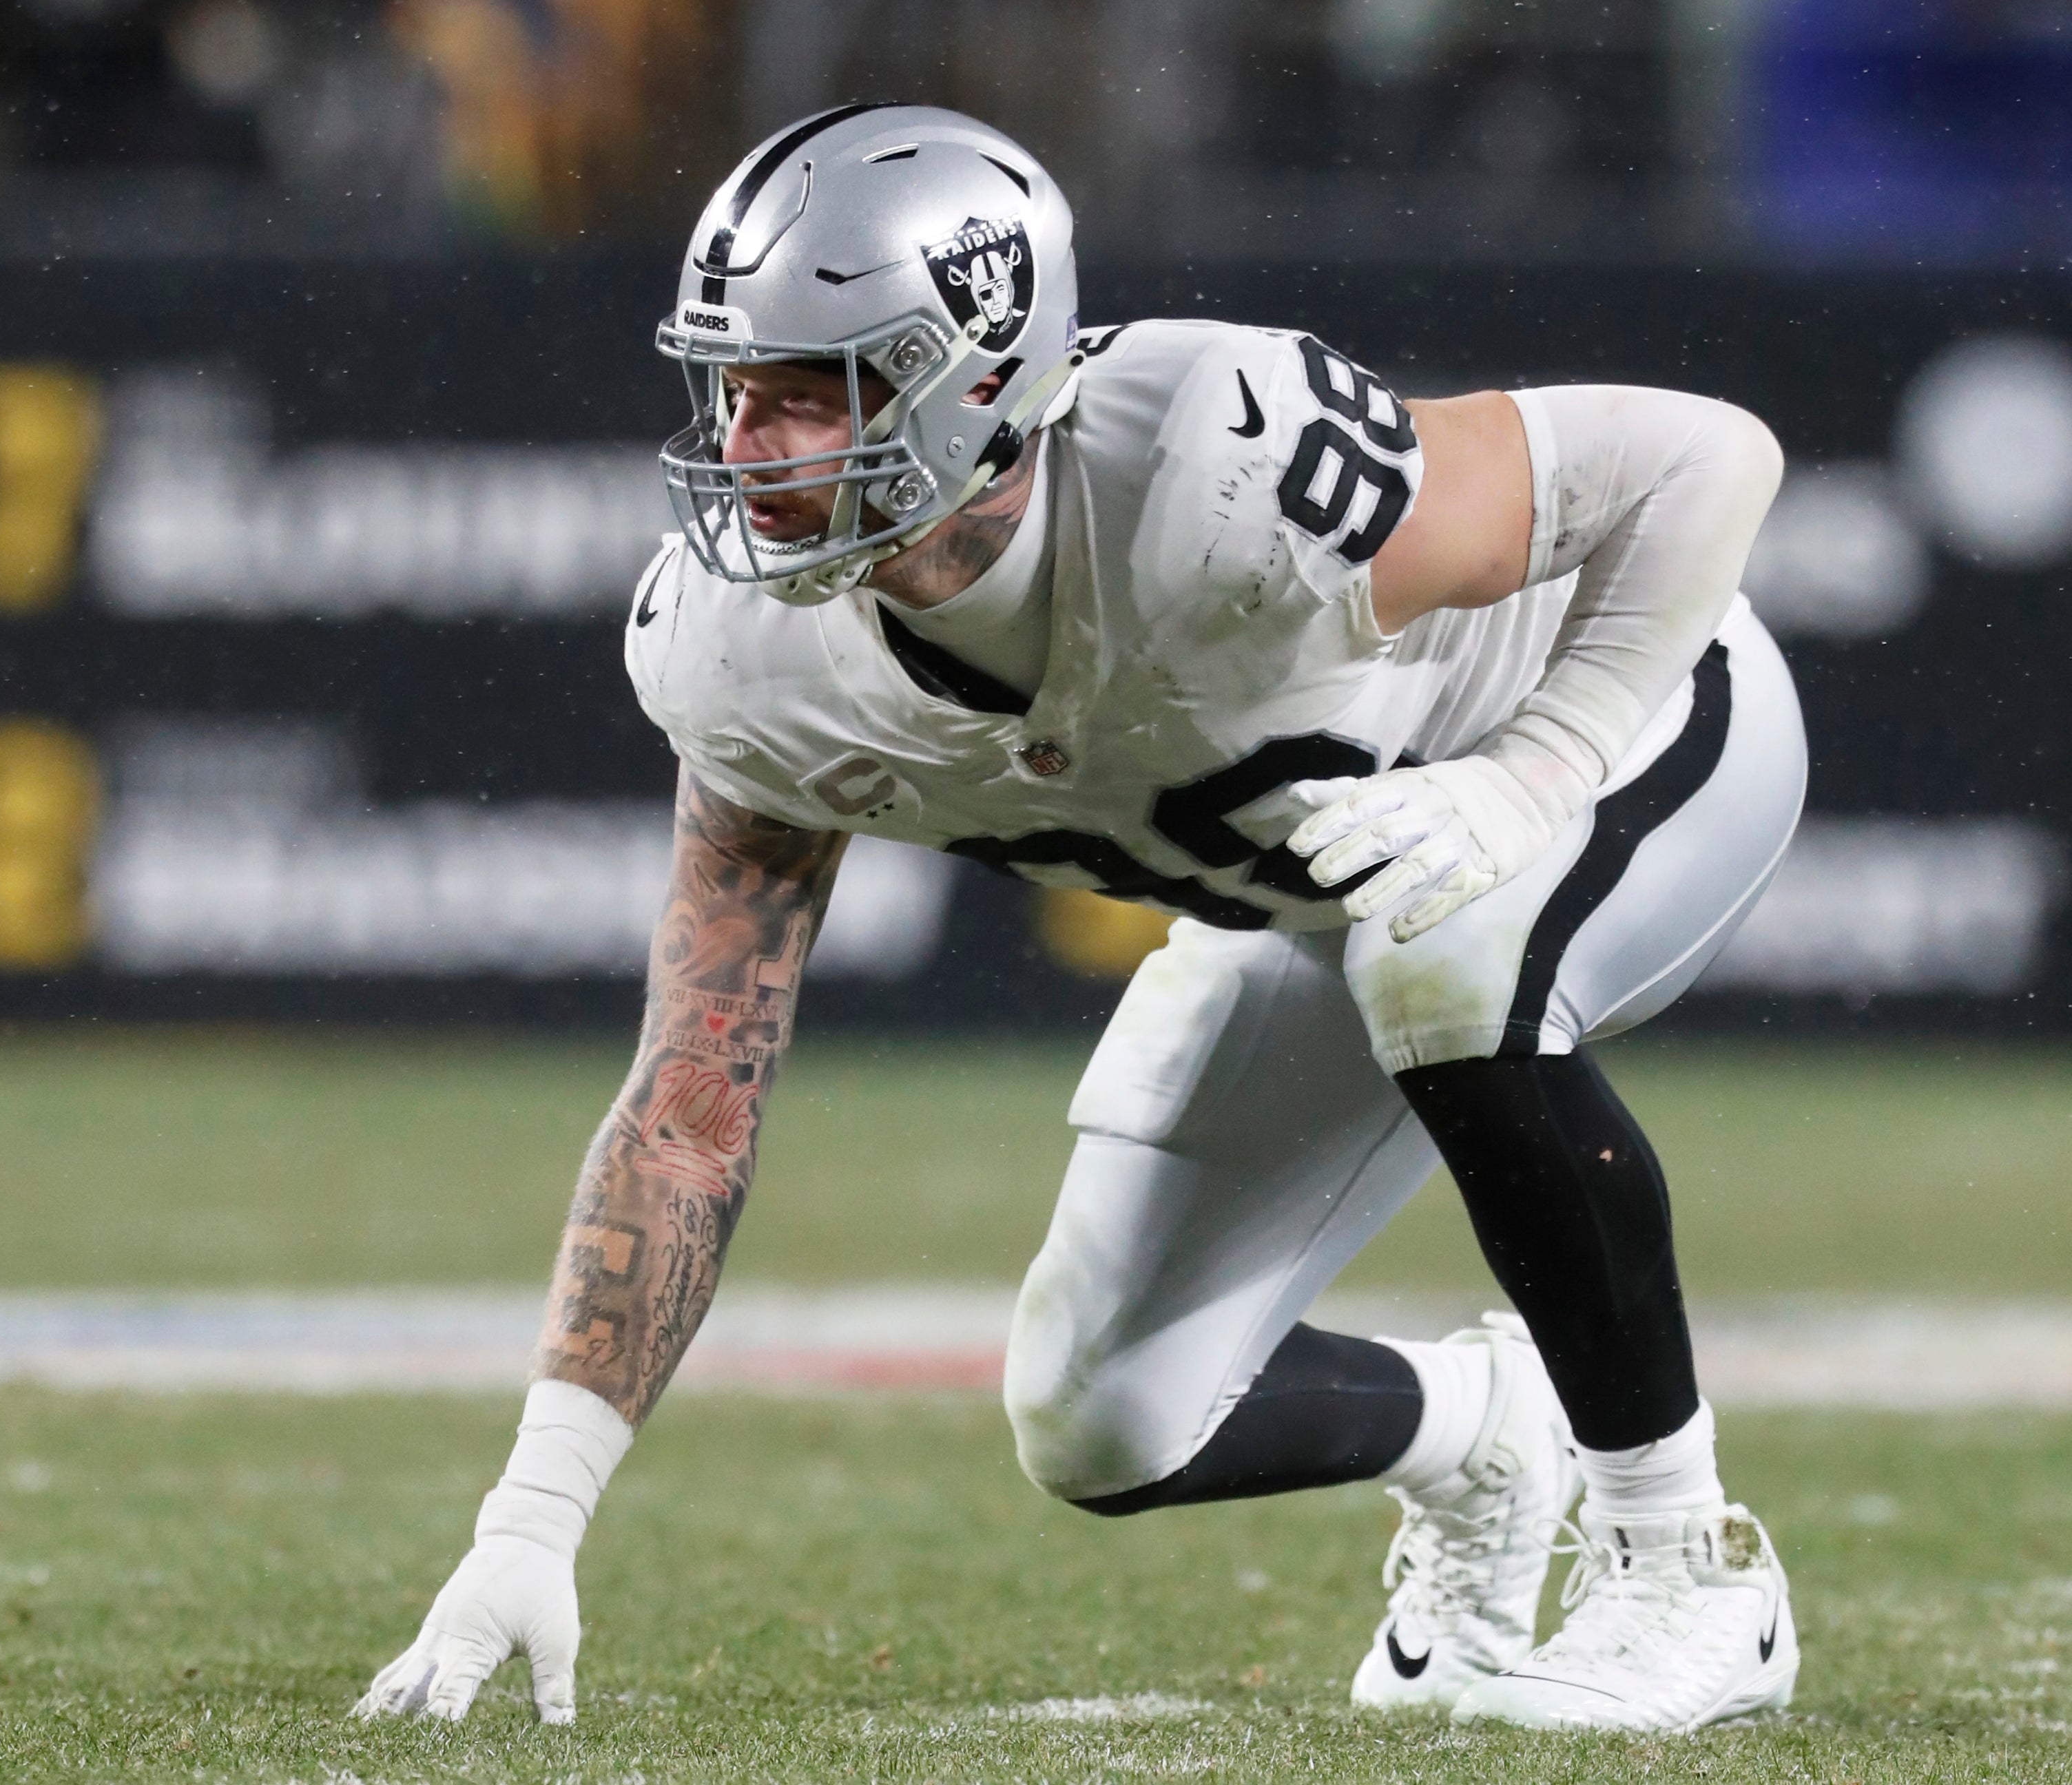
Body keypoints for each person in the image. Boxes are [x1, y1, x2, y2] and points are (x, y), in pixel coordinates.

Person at [355, 104, 1806, 1735]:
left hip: (1631, 730)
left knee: (1446, 948)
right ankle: (1483, 1431)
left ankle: (1690, 1574)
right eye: (729, 389)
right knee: (1106, 1416)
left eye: (810, 391)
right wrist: (531, 1522)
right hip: (1331, 890)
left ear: (981, 378)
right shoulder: (740, 659)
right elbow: (690, 1102)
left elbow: (1708, 458)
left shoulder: (1218, 463)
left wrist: (1528, 775)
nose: (747, 451)